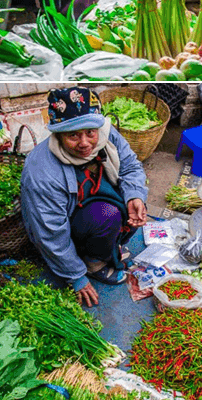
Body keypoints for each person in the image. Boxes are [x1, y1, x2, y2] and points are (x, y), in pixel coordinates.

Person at [20, 87, 148, 308]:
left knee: (131, 204)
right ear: (58, 134)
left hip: (96, 205)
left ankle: (109, 246)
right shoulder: (41, 170)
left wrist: (134, 197)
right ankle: (93, 262)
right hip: (75, 223)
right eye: (73, 135)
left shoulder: (106, 135)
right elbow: (49, 231)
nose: (84, 143)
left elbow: (130, 166)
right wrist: (76, 275)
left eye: (90, 132)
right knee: (107, 215)